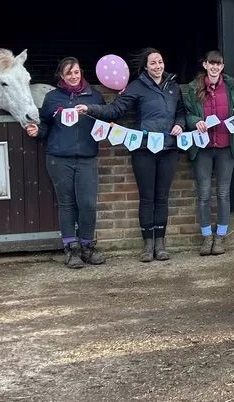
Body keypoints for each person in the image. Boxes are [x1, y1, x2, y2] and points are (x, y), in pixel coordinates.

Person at [77, 47, 186, 263]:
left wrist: (180, 125)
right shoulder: (136, 87)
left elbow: (181, 112)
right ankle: (147, 245)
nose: (158, 66)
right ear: (145, 66)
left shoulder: (173, 87)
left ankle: (160, 244)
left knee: (162, 198)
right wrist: (90, 109)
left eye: (160, 61)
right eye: (153, 63)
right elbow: (114, 110)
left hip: (169, 148)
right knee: (147, 198)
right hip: (143, 149)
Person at [27, 57, 108, 268]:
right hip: (59, 158)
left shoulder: (94, 96)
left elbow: (107, 118)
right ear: (61, 76)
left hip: (87, 158)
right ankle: (71, 248)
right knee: (67, 204)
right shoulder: (53, 98)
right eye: (69, 73)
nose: (74, 76)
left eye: (77, 72)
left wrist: (92, 110)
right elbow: (45, 124)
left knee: (88, 204)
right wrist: (38, 131)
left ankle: (88, 246)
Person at [184, 50, 234, 257]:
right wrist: (195, 122)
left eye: (218, 64)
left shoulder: (230, 87)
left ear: (222, 66)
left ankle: (220, 237)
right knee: (203, 194)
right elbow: (188, 114)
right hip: (202, 148)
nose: (215, 67)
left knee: (222, 194)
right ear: (205, 64)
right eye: (212, 63)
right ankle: (206, 237)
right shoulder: (194, 88)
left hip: (226, 147)